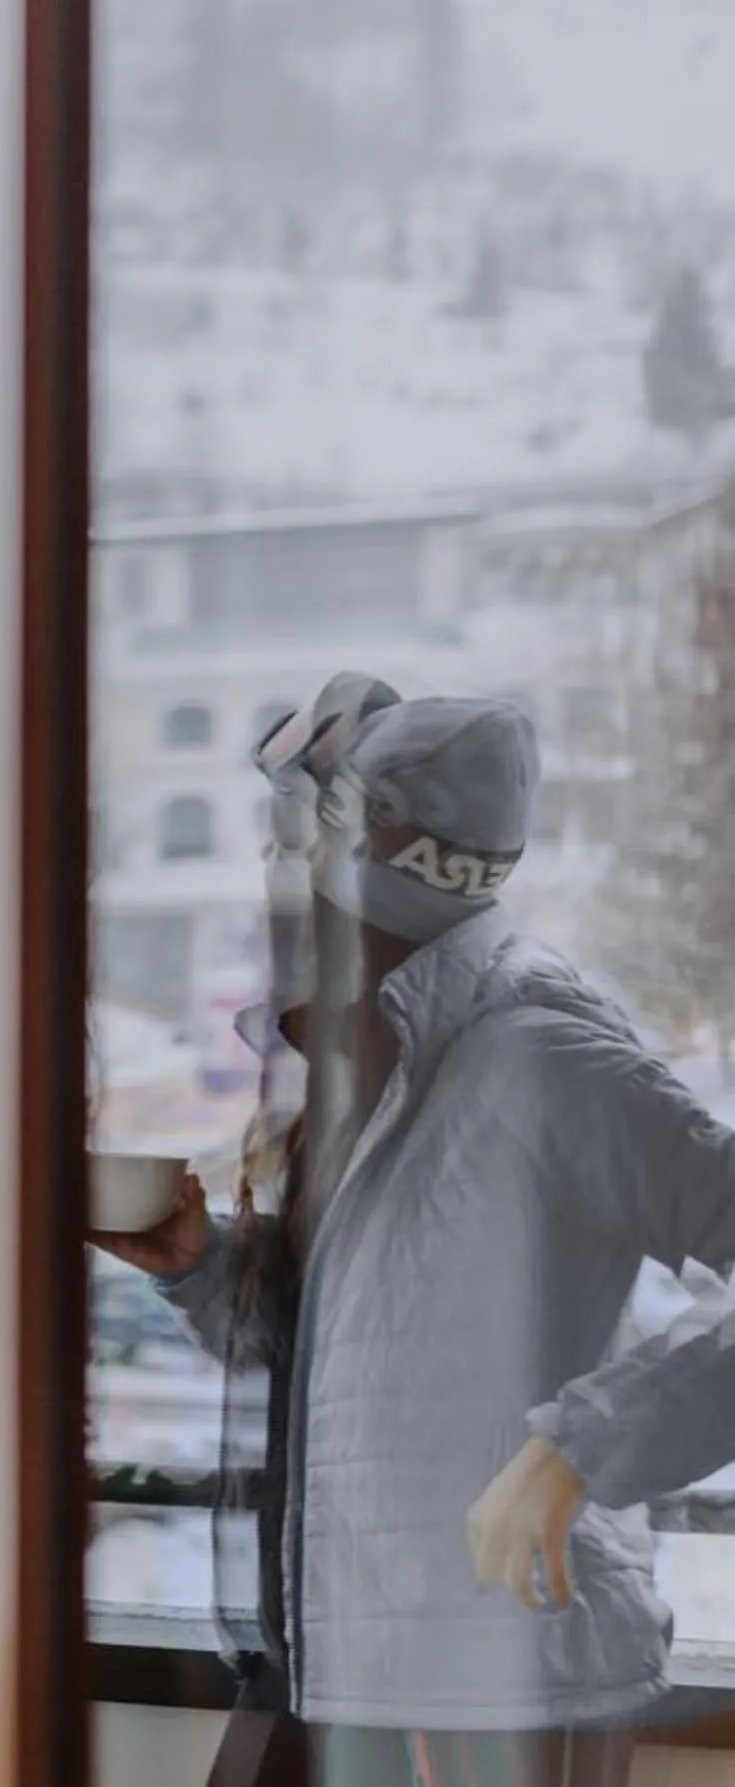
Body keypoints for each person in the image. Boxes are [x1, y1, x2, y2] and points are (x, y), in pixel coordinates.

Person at [96, 692, 735, 1787]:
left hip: (489, 1676)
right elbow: (359, 1380)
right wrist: (201, 1270)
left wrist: (584, 1444)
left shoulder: (538, 1059)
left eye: (298, 836)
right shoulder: (371, 1062)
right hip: (329, 1655)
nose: (272, 869)